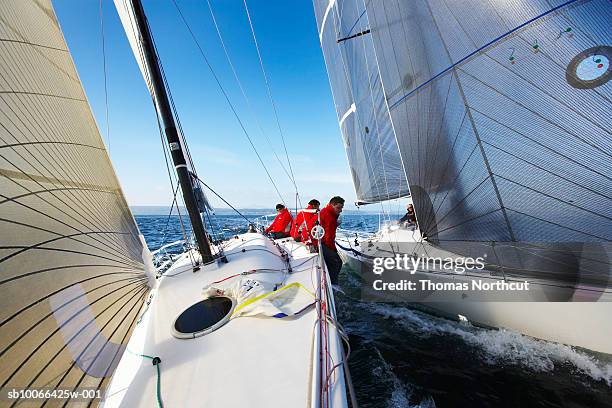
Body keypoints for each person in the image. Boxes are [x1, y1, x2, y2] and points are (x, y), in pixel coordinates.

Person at [319, 196, 344, 285]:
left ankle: (331, 281)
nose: (340, 210)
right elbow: (328, 237)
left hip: (322, 242)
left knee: (337, 261)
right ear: (332, 205)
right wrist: (333, 249)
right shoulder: (329, 216)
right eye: (338, 207)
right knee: (337, 262)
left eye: (341, 208)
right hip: (322, 243)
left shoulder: (327, 212)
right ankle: (332, 284)